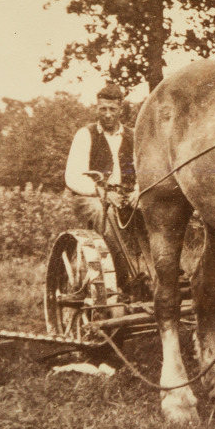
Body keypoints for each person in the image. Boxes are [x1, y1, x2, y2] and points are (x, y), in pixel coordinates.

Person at [65, 83, 149, 294]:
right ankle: (125, 279)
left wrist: (139, 190)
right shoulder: (86, 135)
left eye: (112, 109)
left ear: (121, 109)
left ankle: (158, 274)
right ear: (97, 108)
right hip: (91, 196)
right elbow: (73, 177)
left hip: (127, 194)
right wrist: (101, 192)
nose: (108, 114)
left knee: (157, 210)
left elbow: (145, 170)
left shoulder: (133, 136)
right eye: (103, 109)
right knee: (106, 212)